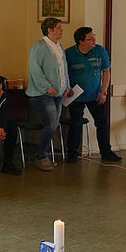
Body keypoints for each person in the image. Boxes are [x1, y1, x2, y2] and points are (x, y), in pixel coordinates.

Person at [64, 27, 122, 164]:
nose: (94, 41)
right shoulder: (68, 54)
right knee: (76, 123)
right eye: (90, 39)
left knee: (102, 123)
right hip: (76, 95)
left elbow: (106, 71)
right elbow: (63, 73)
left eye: (94, 37)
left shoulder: (100, 51)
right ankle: (72, 153)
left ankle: (106, 151)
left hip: (96, 94)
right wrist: (67, 87)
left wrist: (104, 92)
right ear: (81, 42)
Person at [26, 17, 71, 171]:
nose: (62, 30)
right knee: (51, 122)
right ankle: (41, 156)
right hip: (41, 94)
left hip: (58, 93)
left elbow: (63, 69)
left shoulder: (59, 47)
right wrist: (47, 87)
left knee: (53, 123)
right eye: (59, 27)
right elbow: (35, 70)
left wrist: (67, 86)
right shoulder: (39, 47)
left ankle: (42, 154)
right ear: (50, 30)